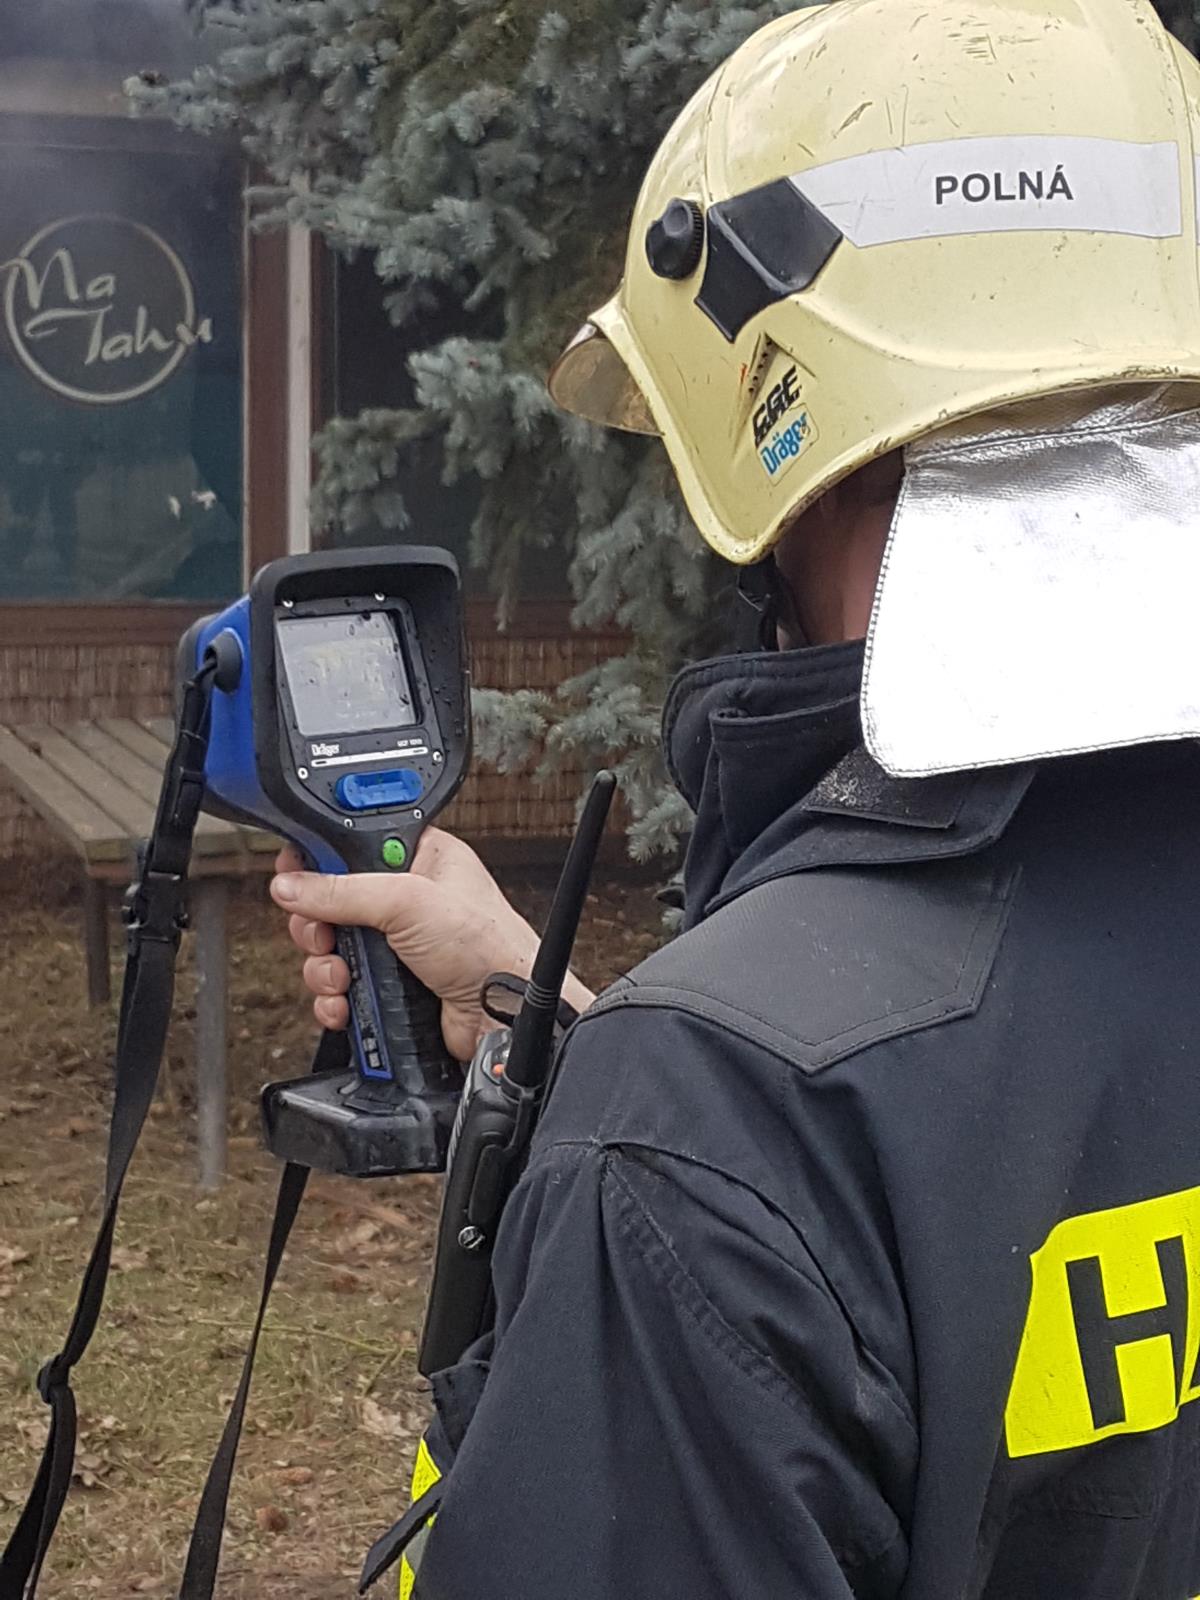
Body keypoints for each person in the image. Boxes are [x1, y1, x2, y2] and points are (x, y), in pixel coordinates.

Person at [271, 1, 1200, 1594]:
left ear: (800, 466)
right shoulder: (734, 1104)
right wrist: (571, 1032)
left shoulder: (716, 1116)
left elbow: (819, 1164)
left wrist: (676, 1107)